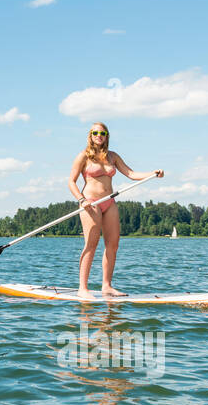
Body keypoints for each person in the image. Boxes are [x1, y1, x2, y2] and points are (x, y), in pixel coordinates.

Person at [67, 122, 163, 296]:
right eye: (95, 132)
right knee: (91, 244)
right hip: (90, 202)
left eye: (102, 133)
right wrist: (81, 200)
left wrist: (152, 174)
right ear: (90, 135)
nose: (99, 135)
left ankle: (107, 286)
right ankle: (83, 288)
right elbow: (71, 182)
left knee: (113, 245)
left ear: (106, 136)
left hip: (109, 202)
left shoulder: (113, 156)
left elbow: (131, 174)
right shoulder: (83, 156)